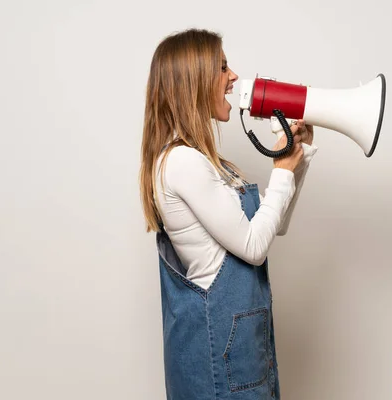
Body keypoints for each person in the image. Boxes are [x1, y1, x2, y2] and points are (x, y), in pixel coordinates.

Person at [139, 28, 318, 400]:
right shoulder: (183, 162)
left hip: (243, 355)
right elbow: (254, 247)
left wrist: (296, 164)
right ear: (195, 81)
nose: (234, 76)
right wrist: (281, 170)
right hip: (223, 361)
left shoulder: (207, 163)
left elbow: (273, 227)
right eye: (222, 67)